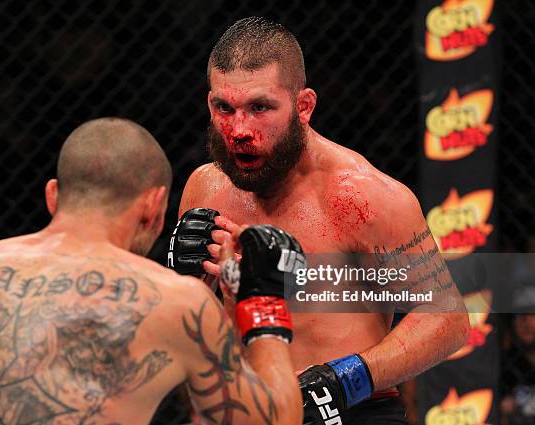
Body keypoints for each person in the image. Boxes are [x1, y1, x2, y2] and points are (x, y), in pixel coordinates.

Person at [170, 17, 470, 425]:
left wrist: (344, 380)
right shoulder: (204, 190)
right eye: (226, 108)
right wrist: (184, 282)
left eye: (260, 108)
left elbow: (447, 320)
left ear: (304, 106)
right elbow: (194, 331)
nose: (239, 130)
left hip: (354, 413)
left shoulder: (364, 197)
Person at [0, 117, 303, 425]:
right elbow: (275, 420)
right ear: (153, 207)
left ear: (53, 195)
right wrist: (260, 298)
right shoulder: (178, 300)